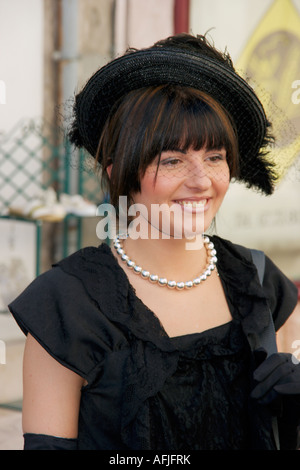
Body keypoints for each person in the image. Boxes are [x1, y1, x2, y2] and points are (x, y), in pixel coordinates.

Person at [9, 33, 300, 450]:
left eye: (215, 156)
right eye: (173, 160)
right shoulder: (67, 306)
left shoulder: (261, 283)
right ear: (118, 172)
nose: (201, 181)